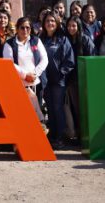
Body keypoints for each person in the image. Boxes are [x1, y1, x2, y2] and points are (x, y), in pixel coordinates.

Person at [3, 16, 48, 121]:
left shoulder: (36, 41)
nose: (25, 30)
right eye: (22, 27)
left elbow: (44, 59)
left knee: (37, 113)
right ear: (17, 29)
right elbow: (9, 63)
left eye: (28, 27)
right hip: (18, 85)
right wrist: (25, 75)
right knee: (22, 114)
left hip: (35, 83)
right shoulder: (9, 44)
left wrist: (34, 74)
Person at [39, 13, 74, 147]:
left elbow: (69, 61)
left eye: (53, 21)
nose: (50, 23)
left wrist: (61, 73)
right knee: (49, 109)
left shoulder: (63, 39)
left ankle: (60, 136)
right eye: (47, 21)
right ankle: (52, 135)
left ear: (57, 23)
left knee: (58, 108)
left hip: (59, 80)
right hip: (45, 80)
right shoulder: (39, 39)